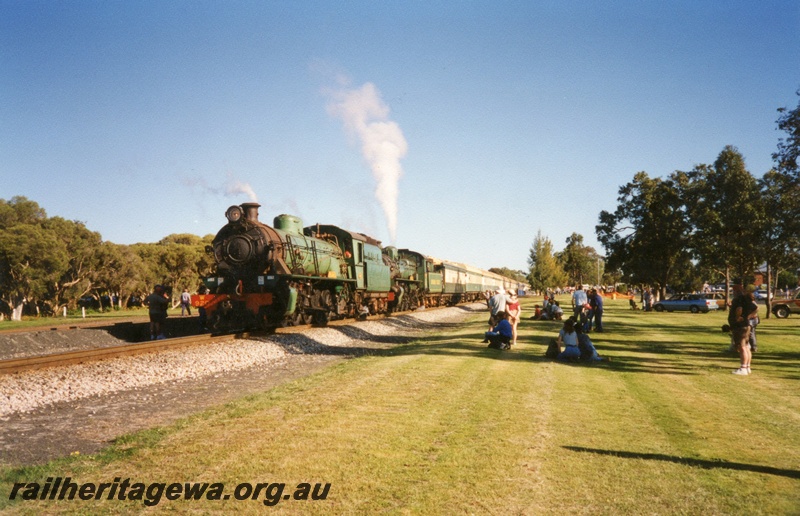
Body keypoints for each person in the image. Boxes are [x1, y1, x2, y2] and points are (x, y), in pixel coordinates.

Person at [728, 285, 758, 375]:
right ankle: (747, 367)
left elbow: (739, 309)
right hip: (746, 325)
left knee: (742, 347)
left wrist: (737, 317)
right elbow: (756, 308)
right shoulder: (747, 299)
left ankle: (743, 368)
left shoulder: (739, 299)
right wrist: (749, 316)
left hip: (740, 326)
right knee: (746, 346)